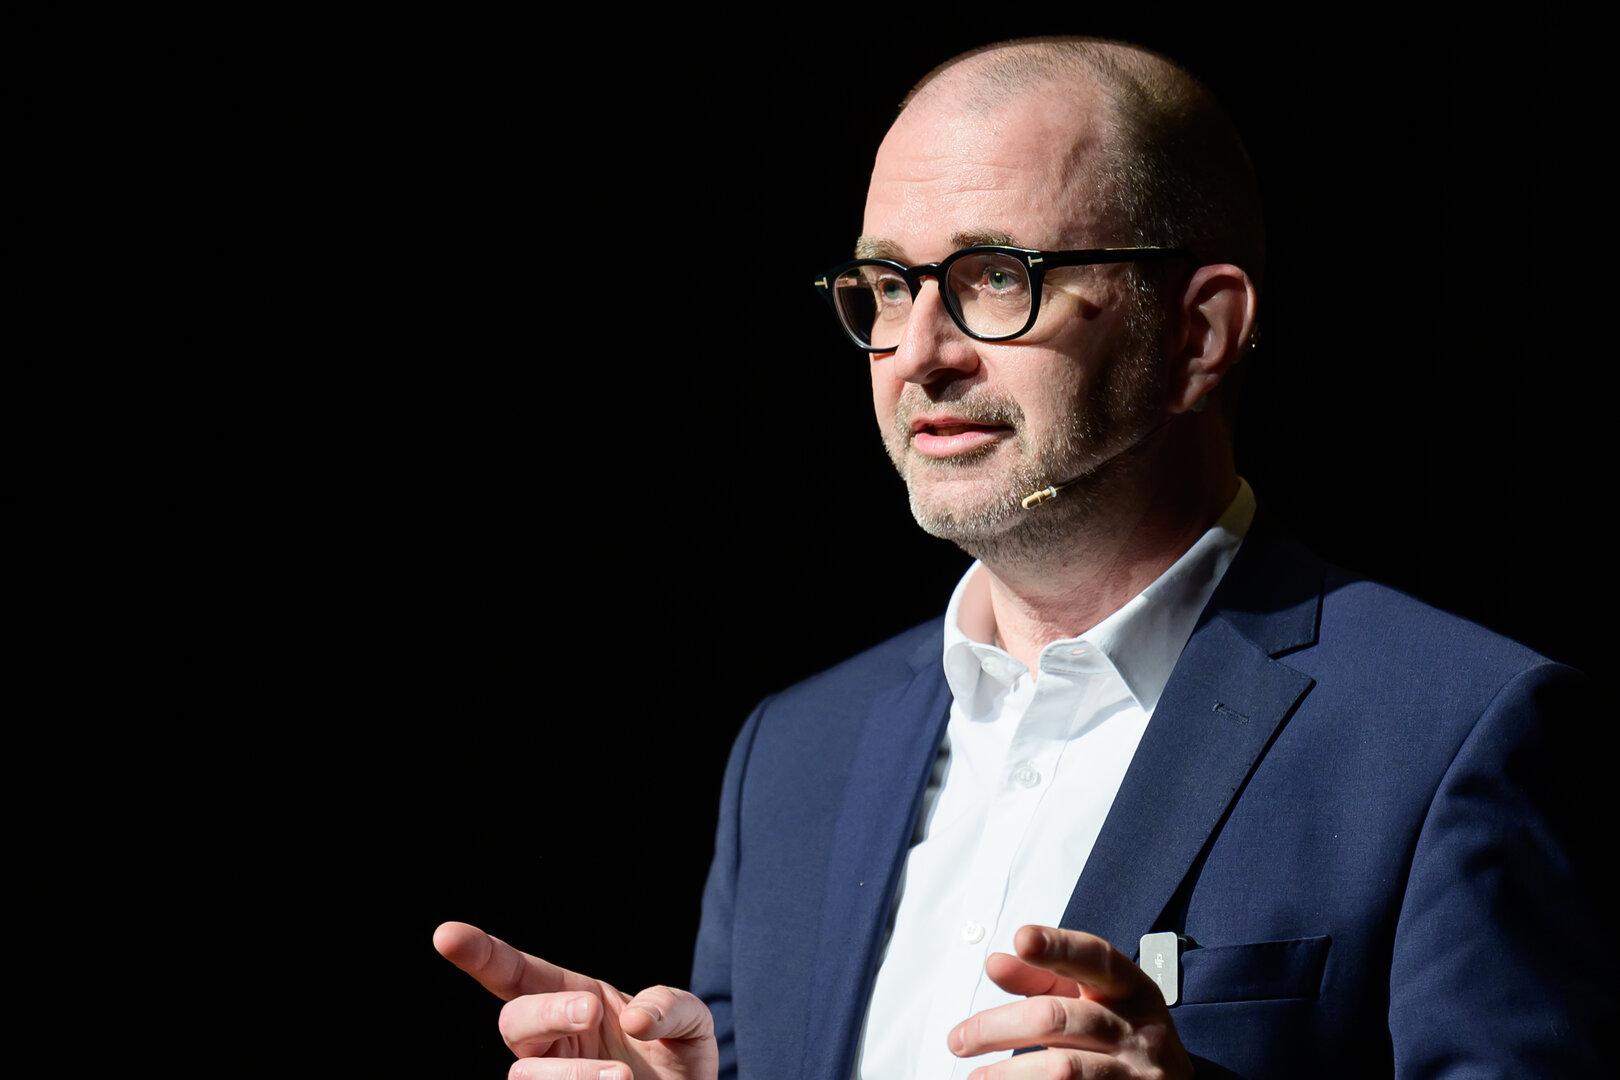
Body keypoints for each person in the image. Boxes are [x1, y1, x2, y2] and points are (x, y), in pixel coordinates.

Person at [434, 34, 1607, 1079]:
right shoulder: (794, 756)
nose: (918, 353)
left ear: (1198, 334)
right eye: (890, 285)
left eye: (997, 278)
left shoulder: (1455, 731)